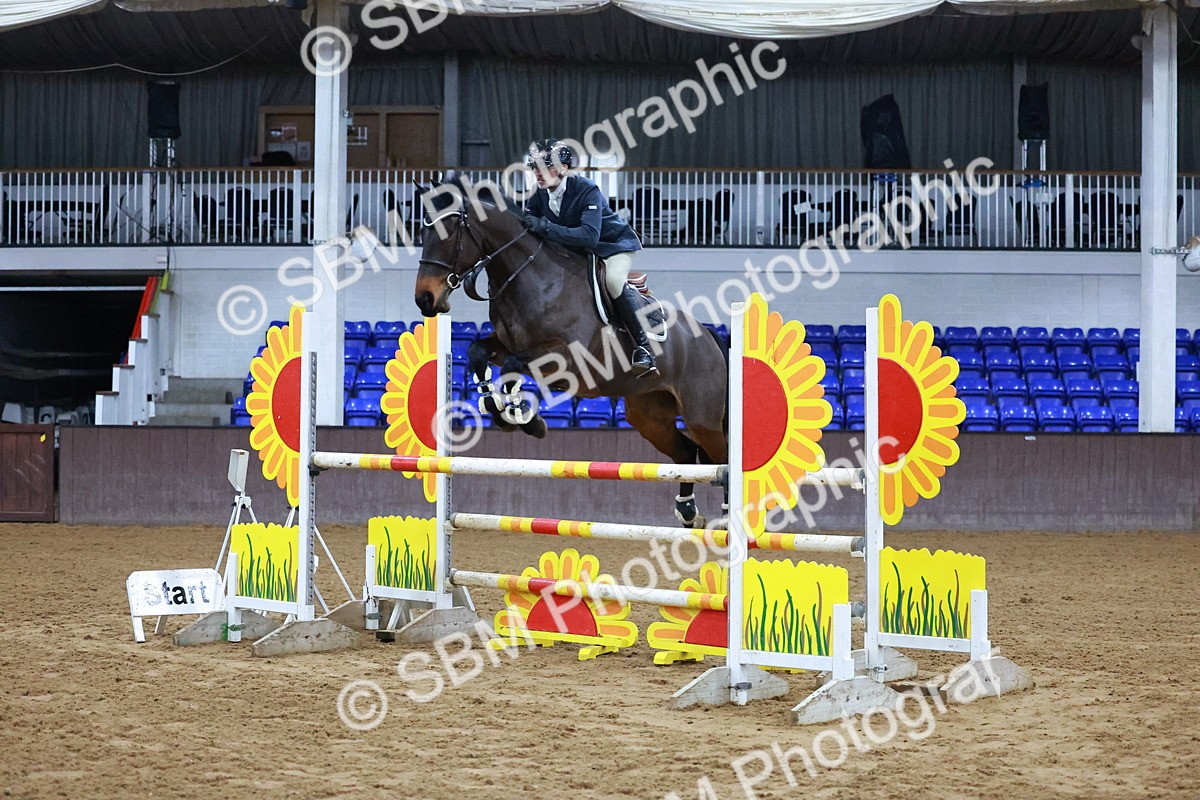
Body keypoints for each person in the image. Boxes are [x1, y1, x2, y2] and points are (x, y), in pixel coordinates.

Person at [520, 138, 655, 375]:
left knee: (613, 281)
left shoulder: (586, 189)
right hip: (577, 252)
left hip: (611, 246)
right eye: (535, 168)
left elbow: (589, 236)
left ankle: (643, 347)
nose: (538, 174)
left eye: (545, 168)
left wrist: (546, 227)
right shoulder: (539, 195)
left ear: (564, 168)